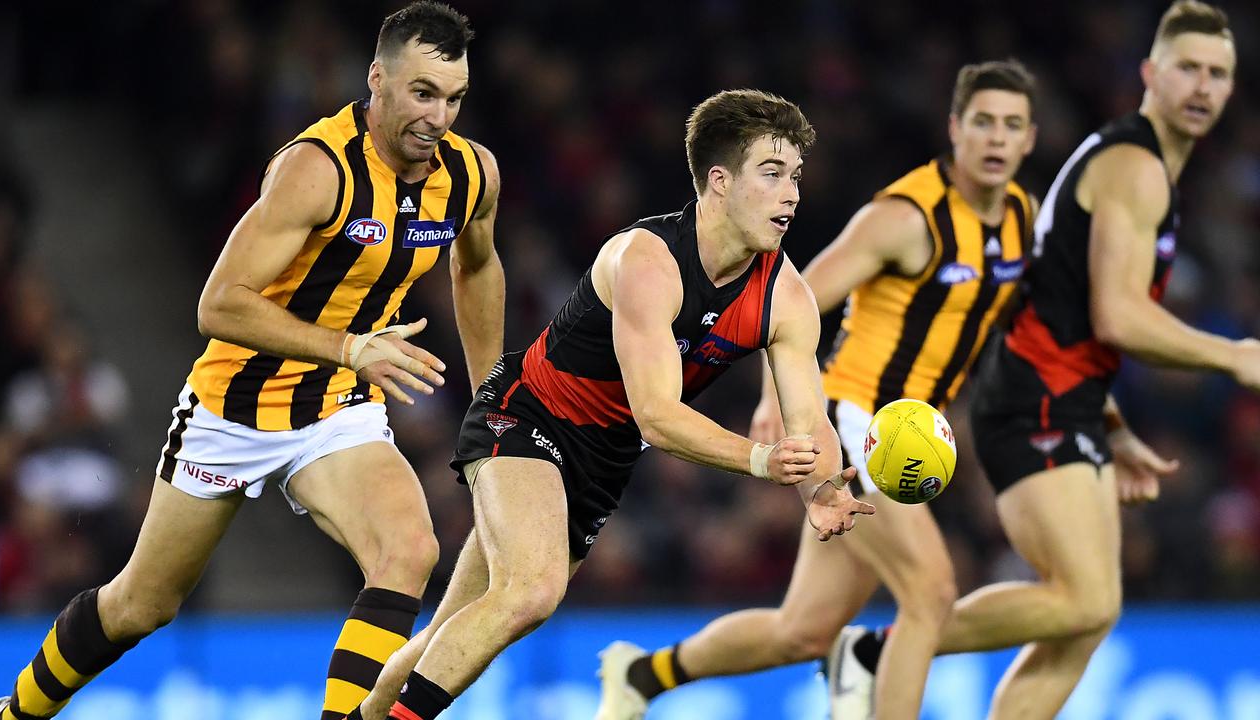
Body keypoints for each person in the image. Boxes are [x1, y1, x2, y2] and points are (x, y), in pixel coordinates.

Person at [0, 4, 505, 720]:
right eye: (423, 93)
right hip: (234, 407)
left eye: (454, 98)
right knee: (141, 604)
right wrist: (352, 346)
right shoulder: (316, 169)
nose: (439, 117)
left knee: (409, 549)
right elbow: (219, 304)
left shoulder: (471, 175)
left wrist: (491, 400)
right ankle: (15, 713)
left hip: (337, 409)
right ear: (377, 80)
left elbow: (476, 269)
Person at [335, 89, 876, 720]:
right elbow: (658, 415)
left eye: (796, 178)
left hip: (603, 461)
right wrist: (761, 461)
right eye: (773, 173)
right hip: (529, 416)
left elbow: (807, 423)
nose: (792, 194)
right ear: (720, 182)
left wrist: (823, 491)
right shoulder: (645, 259)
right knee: (534, 590)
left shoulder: (787, 298)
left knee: (455, 626)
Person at [830, 2, 1260, 718]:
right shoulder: (1135, 165)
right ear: (1150, 73)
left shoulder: (1150, 168)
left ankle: (894, 647)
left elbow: (1079, 309)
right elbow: (1117, 316)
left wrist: (1114, 424)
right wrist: (1235, 355)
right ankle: (885, 648)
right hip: (1034, 396)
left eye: (1218, 73)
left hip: (1073, 398)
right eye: (1188, 67)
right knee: (1085, 597)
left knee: (1088, 618)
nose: (1203, 86)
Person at [595, 59, 1045, 720]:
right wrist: (776, 401)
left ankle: (645, 673)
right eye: (983, 123)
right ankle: (867, 669)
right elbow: (796, 297)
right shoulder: (904, 217)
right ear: (955, 129)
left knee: (802, 631)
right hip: (856, 417)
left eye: (1012, 126)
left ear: (1031, 138)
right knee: (930, 591)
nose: (997, 139)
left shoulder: (1019, 219)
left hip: (907, 433)